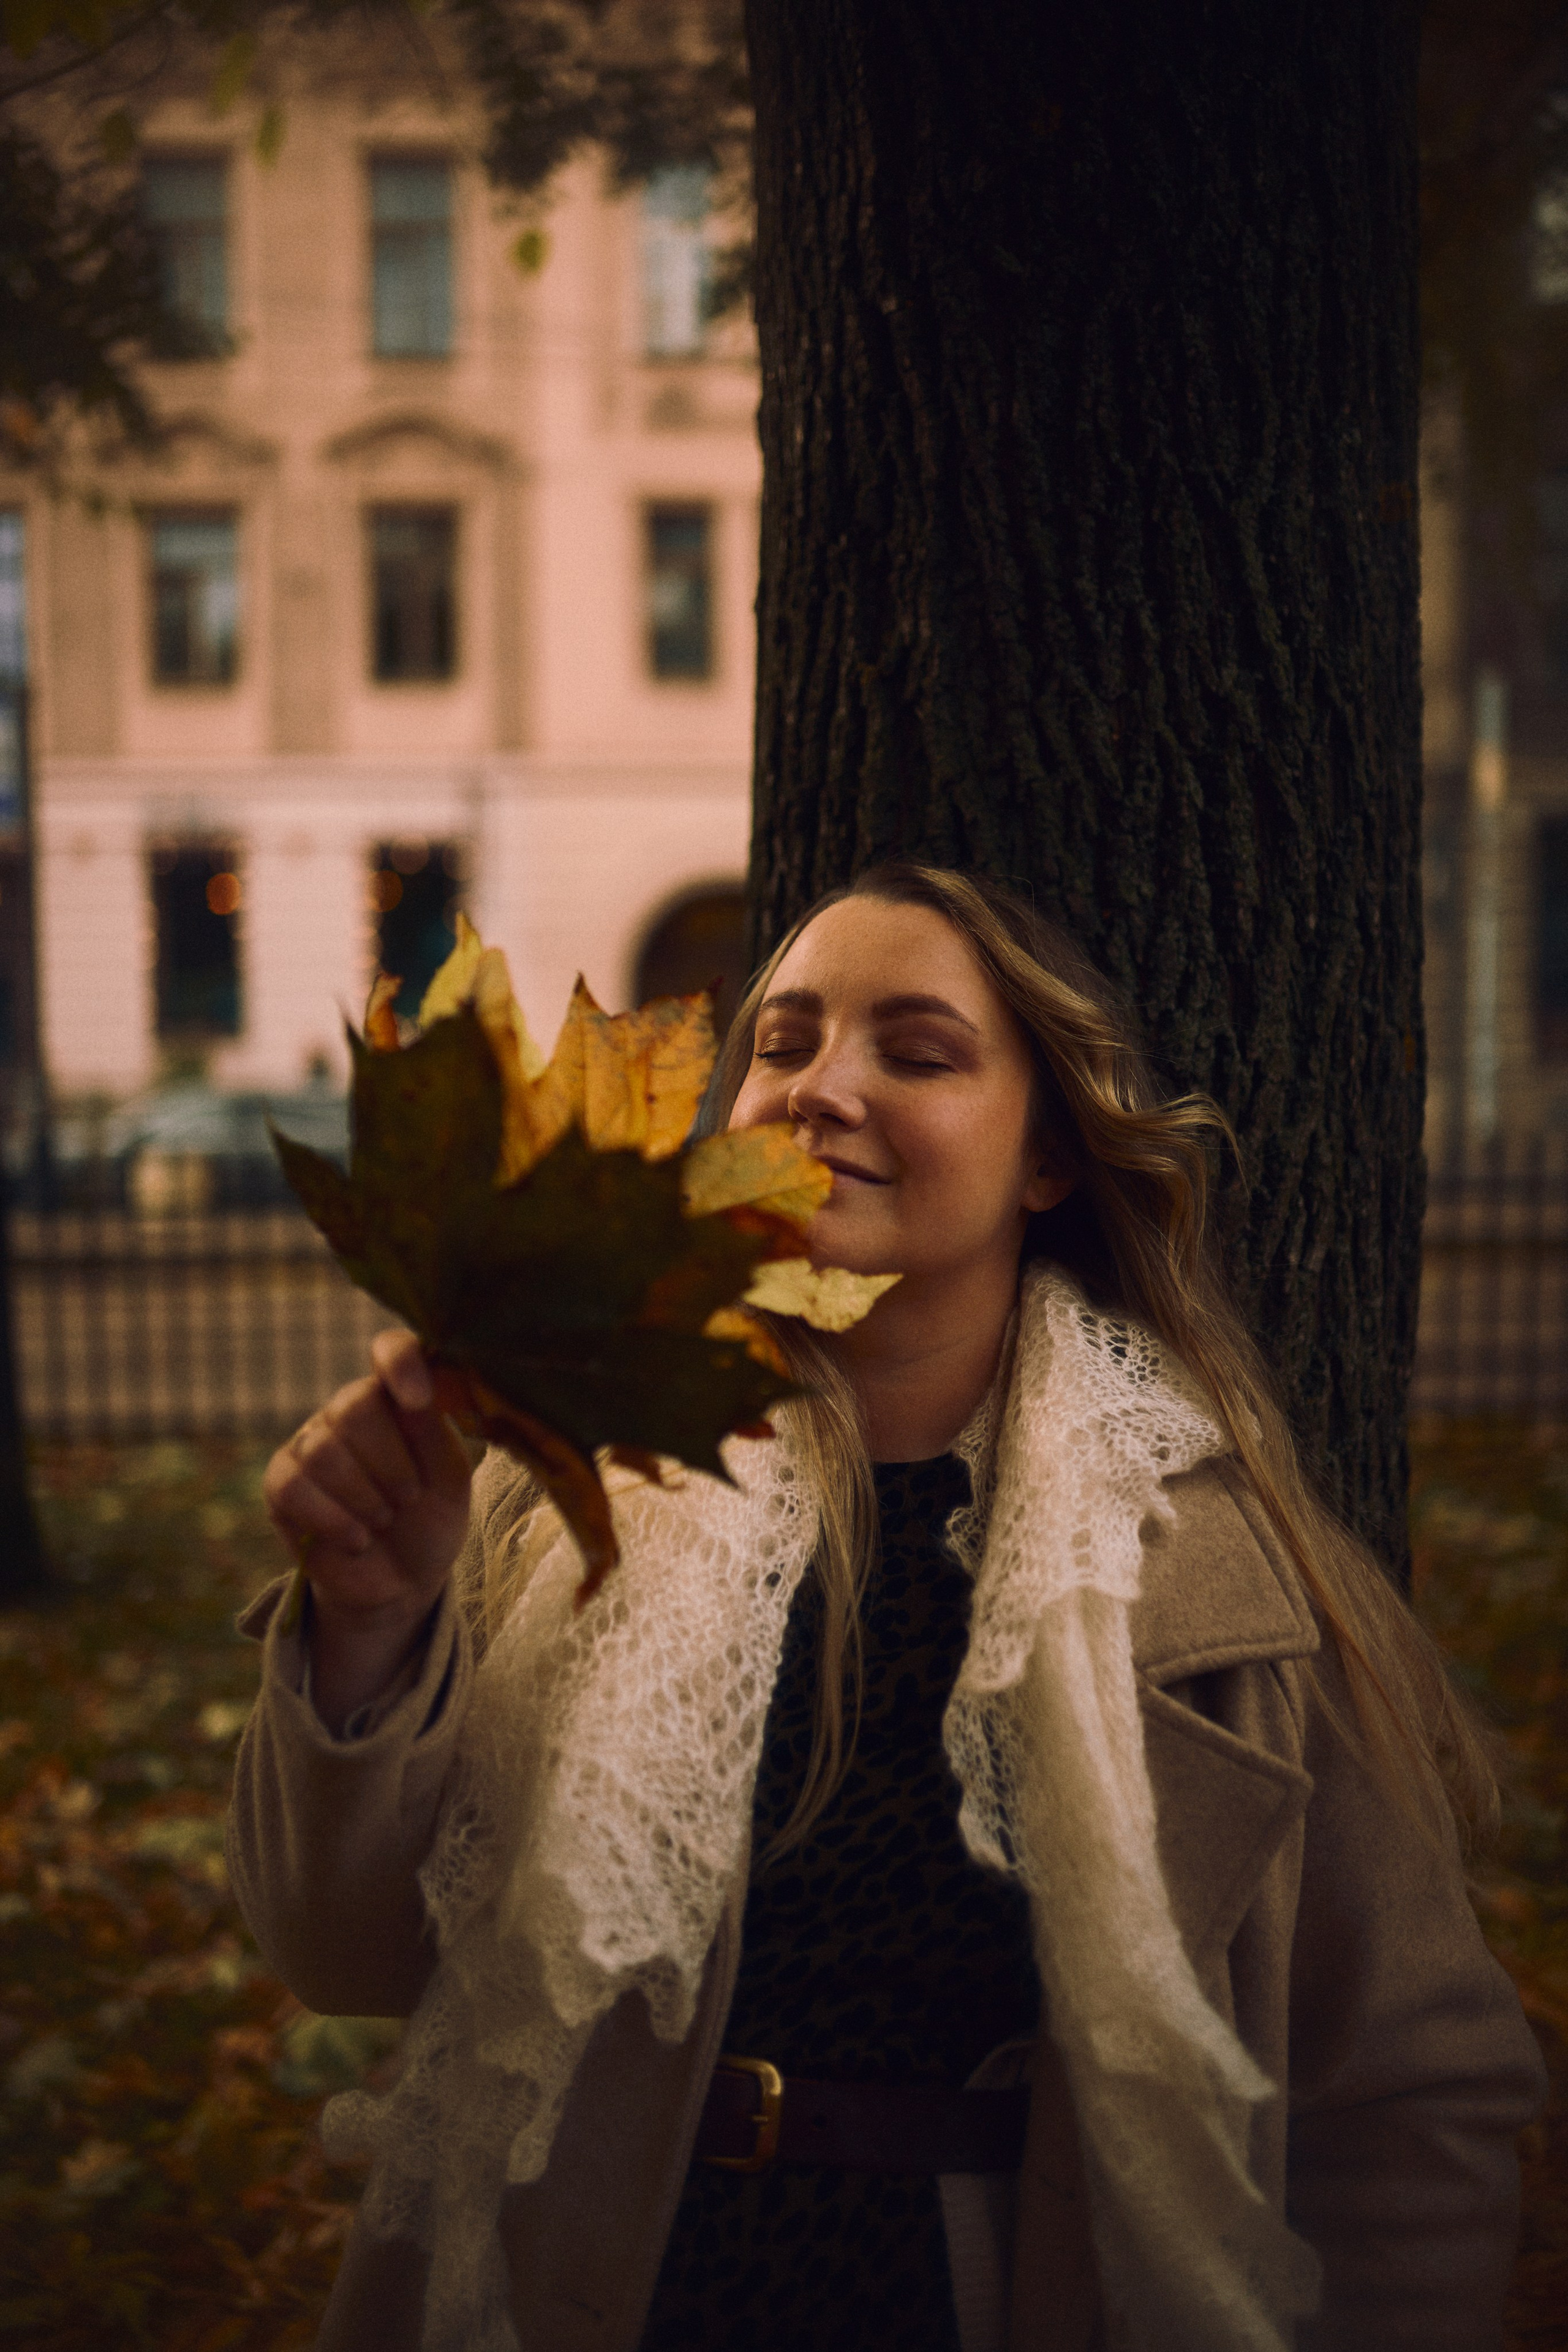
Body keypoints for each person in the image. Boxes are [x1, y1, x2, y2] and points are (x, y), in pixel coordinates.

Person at [229, 864, 1545, 2352]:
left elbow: (1407, 2099)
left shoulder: (1211, 1584)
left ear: (1047, 1156)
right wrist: (374, 1627)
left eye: (913, 1052)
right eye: (778, 1044)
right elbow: (342, 1956)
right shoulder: (561, 1505)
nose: (816, 1089)